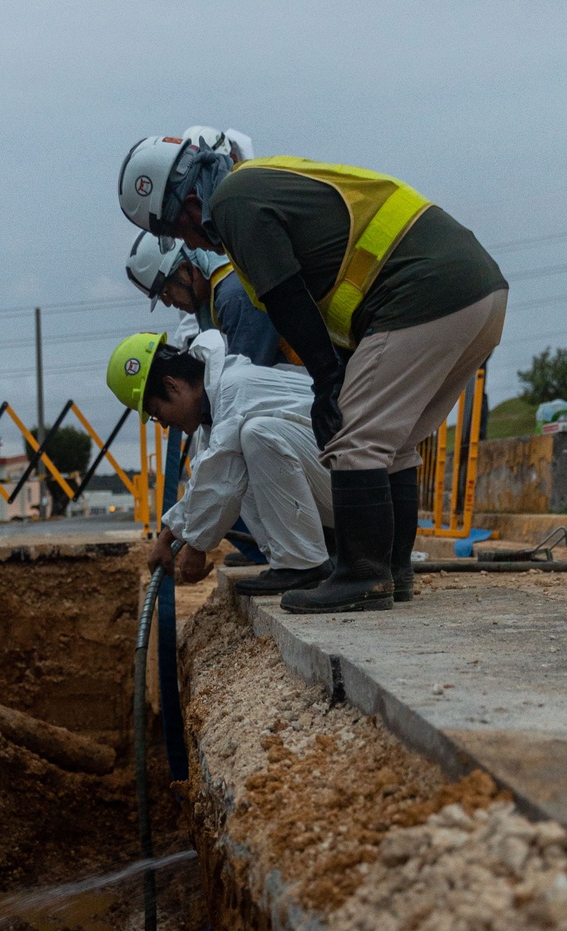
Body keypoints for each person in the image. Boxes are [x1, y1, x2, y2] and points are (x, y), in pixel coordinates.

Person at [117, 137, 508, 613]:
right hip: (474, 290)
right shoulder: (255, 189)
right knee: (392, 445)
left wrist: (328, 379)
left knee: (357, 439)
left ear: (193, 204)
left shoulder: (234, 203)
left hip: (425, 291)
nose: (192, 245)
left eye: (181, 232)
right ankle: (392, 574)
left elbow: (287, 297)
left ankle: (363, 576)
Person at [106, 329, 333, 594]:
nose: (165, 424)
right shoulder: (215, 409)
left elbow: (220, 485)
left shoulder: (233, 388)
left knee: (256, 434)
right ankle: (296, 560)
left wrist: (197, 545)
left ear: (172, 385)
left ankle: (302, 565)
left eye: (157, 413)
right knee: (240, 452)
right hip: (333, 481)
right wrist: (167, 537)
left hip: (348, 482)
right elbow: (206, 479)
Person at [126, 232, 282, 365]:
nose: (168, 304)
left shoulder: (234, 297)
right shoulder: (217, 293)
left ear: (186, 269)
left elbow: (248, 376)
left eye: (166, 292)